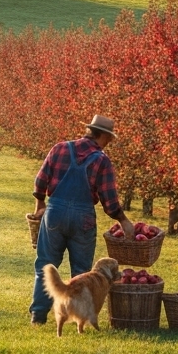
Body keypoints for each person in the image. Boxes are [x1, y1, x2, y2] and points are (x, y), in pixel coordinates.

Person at [29, 114, 135, 325]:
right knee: (81, 271)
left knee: (46, 266)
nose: (109, 143)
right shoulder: (101, 160)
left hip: (55, 213)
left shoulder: (59, 148)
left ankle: (38, 316)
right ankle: (79, 319)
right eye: (109, 139)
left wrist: (40, 205)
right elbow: (109, 199)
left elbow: (40, 181)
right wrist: (123, 220)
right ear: (103, 136)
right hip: (83, 217)